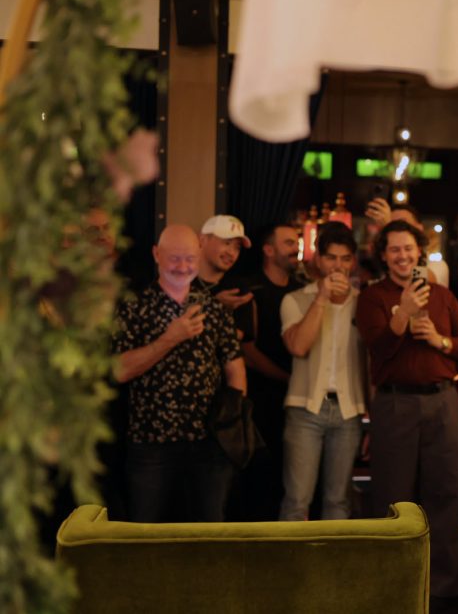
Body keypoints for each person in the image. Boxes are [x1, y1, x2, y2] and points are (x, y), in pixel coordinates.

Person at [355, 220, 458, 603]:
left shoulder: (442, 294)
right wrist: (402, 313)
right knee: (393, 497)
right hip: (395, 404)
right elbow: (378, 347)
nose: (403, 256)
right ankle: (390, 590)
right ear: (383, 255)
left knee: (444, 493)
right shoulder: (373, 296)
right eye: (394, 249)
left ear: (419, 252)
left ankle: (440, 592)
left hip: (443, 401)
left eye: (408, 248)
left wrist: (439, 340)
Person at [113, 225, 245, 522]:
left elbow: (234, 365)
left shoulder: (213, 308)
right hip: (151, 442)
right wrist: (171, 338)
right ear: (156, 255)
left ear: (199, 256)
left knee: (209, 532)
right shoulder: (134, 308)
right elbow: (119, 370)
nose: (183, 266)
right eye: (174, 258)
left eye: (189, 258)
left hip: (208, 443)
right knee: (145, 531)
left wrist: (233, 421)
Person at [278, 223, 365, 520]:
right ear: (318, 259)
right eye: (331, 258)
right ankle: (289, 567)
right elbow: (299, 347)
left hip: (349, 410)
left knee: (338, 501)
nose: (337, 266)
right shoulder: (296, 299)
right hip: (305, 409)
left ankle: (333, 567)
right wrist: (322, 298)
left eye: (345, 258)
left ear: (353, 262)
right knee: (297, 500)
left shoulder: (363, 304)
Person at [235, 223, 300, 520]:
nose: (295, 248)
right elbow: (247, 353)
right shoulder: (250, 289)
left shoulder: (301, 290)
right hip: (262, 394)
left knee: (290, 475)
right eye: (288, 242)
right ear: (268, 249)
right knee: (260, 473)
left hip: (296, 397)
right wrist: (286, 378)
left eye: (296, 242)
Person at [196, 214, 254, 341]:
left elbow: (238, 337)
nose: (231, 253)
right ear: (203, 240)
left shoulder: (237, 288)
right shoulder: (181, 281)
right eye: (227, 243)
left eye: (237, 247)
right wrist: (215, 306)